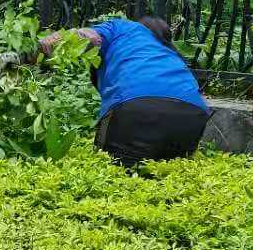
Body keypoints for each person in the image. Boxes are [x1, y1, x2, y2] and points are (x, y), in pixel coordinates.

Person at [39, 15, 209, 167]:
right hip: (193, 115)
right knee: (168, 171)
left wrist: (60, 38)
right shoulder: (171, 53)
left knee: (113, 170)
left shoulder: (123, 27)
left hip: (136, 106)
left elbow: (88, 35)